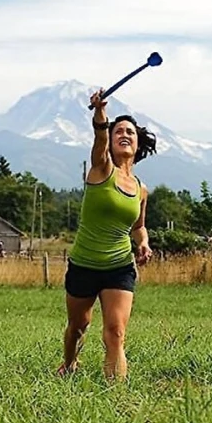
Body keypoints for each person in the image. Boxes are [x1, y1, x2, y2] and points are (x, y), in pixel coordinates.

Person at [58, 87, 156, 379]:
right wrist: (101, 113)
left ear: (138, 144)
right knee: (78, 326)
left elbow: (138, 226)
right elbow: (99, 137)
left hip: (119, 267)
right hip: (84, 264)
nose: (124, 135)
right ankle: (70, 363)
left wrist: (144, 244)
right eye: (118, 132)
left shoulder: (140, 188)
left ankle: (116, 399)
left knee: (115, 332)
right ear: (111, 142)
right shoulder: (101, 169)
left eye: (130, 132)